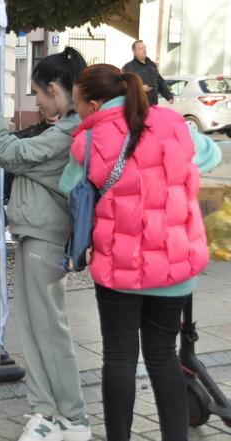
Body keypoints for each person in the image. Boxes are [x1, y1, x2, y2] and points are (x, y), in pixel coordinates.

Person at [60, 64, 221, 441]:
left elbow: (70, 186)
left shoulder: (90, 139)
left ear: (95, 102)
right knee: (163, 355)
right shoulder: (173, 123)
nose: (79, 110)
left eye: (80, 103)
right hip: (175, 267)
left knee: (118, 356)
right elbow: (210, 155)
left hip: (120, 268)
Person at [0, 47, 92, 441]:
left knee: (47, 329)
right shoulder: (68, 127)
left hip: (44, 238)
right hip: (38, 234)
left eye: (37, 92)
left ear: (53, 88)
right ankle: (50, 413)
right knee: (36, 328)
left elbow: (9, 152)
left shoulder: (67, 131)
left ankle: (67, 416)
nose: (35, 101)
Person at [122, 40, 174, 106]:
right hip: (138, 106)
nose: (144, 50)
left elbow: (159, 81)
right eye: (141, 48)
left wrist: (168, 96)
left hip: (153, 104)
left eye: (144, 48)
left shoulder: (152, 65)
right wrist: (140, 88)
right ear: (134, 51)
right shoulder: (128, 67)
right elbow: (124, 85)